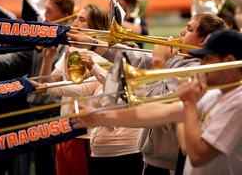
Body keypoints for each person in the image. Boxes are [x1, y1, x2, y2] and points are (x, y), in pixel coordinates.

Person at [67, 13, 225, 174]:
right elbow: (134, 56)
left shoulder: (197, 71)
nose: (182, 31)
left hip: (171, 165)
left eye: (189, 29)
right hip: (152, 159)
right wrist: (92, 43)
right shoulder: (179, 58)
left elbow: (156, 104)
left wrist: (159, 61)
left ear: (203, 40)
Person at [0, 0, 75, 175]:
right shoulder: (39, 36)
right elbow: (14, 58)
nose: (45, 14)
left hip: (55, 112)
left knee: (54, 166)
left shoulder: (71, 43)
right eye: (45, 9)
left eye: (50, 11)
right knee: (41, 166)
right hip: (34, 111)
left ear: (65, 15)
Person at [33, 48, 143, 175]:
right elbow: (71, 87)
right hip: (99, 153)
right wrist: (43, 87)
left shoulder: (134, 83)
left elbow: (113, 100)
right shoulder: (101, 79)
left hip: (126, 153)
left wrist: (93, 66)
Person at [39, 3, 112, 175]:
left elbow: (75, 84)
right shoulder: (72, 51)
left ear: (94, 27)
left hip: (83, 135)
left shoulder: (100, 56)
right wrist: (47, 59)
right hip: (64, 130)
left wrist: (66, 49)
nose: (75, 23)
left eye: (81, 19)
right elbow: (48, 82)